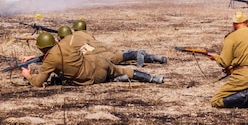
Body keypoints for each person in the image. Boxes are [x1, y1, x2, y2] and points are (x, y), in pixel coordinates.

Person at [21, 32, 164, 87]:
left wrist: (29, 76)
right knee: (124, 70)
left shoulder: (50, 61)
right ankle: (153, 78)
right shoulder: (68, 42)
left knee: (61, 80)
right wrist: (39, 58)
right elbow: (61, 53)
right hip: (99, 62)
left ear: (41, 48)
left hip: (93, 78)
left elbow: (39, 82)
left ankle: (115, 79)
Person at [207, 11, 248, 109]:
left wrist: (215, 57)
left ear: (234, 25)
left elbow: (224, 62)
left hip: (243, 78)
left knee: (216, 101)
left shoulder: (232, 37)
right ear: (247, 22)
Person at [65, 21, 167, 67]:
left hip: (93, 49)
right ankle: (155, 58)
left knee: (115, 59)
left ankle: (136, 54)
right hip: (101, 45)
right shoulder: (88, 34)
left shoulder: (72, 38)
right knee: (120, 55)